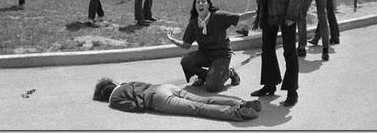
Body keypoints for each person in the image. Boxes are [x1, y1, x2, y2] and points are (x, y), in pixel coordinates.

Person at [166, 0, 255, 92]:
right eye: (197, 2)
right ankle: (205, 76)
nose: (200, 3)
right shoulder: (193, 23)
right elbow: (186, 45)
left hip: (221, 55)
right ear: (195, 6)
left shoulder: (219, 16)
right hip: (205, 54)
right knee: (186, 61)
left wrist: (257, 12)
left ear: (208, 5)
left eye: (203, 1)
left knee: (212, 86)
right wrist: (172, 39)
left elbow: (241, 17)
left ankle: (230, 72)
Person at [92, 78, 262, 121]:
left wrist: (143, 106)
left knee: (197, 108)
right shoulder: (125, 83)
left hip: (157, 99)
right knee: (205, 100)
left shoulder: (114, 99)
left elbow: (133, 107)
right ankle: (240, 102)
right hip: (164, 87)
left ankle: (239, 114)